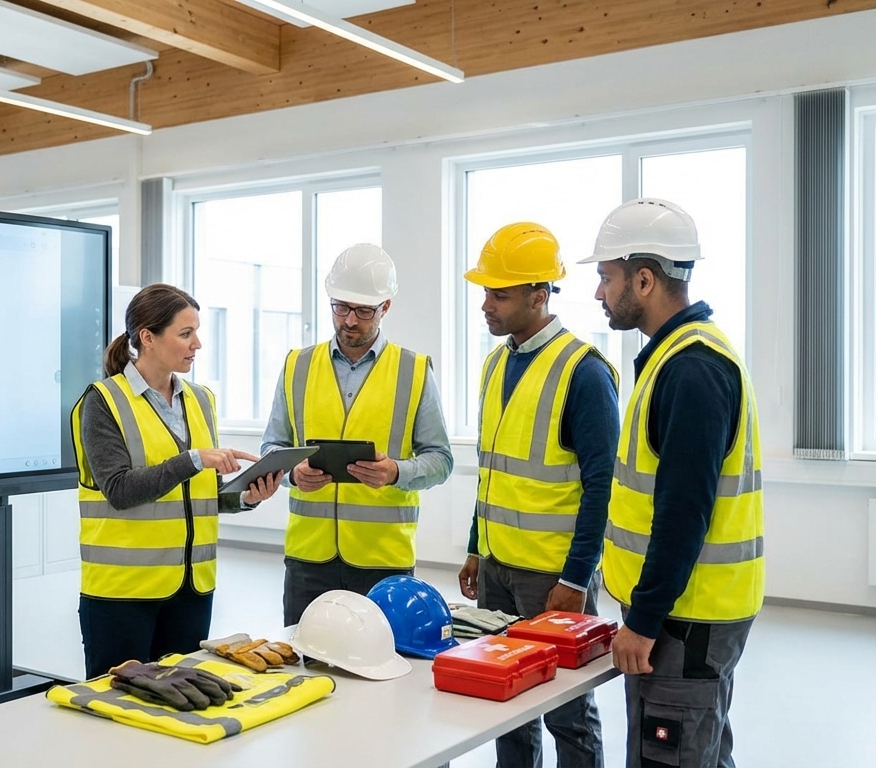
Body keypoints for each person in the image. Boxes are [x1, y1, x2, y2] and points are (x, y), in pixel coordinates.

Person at [579, 199, 764, 767]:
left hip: (687, 618)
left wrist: (643, 619)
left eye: (606, 278)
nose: (598, 293)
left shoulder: (692, 368)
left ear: (644, 278)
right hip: (688, 613)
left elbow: (684, 512)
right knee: (699, 751)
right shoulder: (677, 358)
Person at [458, 222, 620, 768]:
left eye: (499, 294)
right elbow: (492, 471)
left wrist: (576, 579)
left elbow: (603, 487)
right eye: (485, 292)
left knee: (567, 712)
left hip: (551, 576)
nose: (486, 305)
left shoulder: (584, 372)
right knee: (506, 705)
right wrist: (477, 546)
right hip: (500, 567)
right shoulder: (497, 363)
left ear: (539, 293)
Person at [72, 283, 283, 679]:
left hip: (192, 588)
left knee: (184, 702)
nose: (197, 344)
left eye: (196, 332)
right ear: (147, 338)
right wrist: (192, 460)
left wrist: (247, 496)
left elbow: (196, 496)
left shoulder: (201, 400)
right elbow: (119, 490)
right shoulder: (102, 401)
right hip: (124, 592)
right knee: (116, 709)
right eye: (185, 334)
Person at [261, 243, 453, 626]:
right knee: (305, 664)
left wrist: (396, 472)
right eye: (341, 307)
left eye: (364, 311)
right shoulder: (297, 365)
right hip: (308, 558)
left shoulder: (413, 370)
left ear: (386, 308)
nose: (350, 320)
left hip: (383, 562)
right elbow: (272, 446)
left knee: (383, 675)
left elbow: (442, 459)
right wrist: (291, 473)